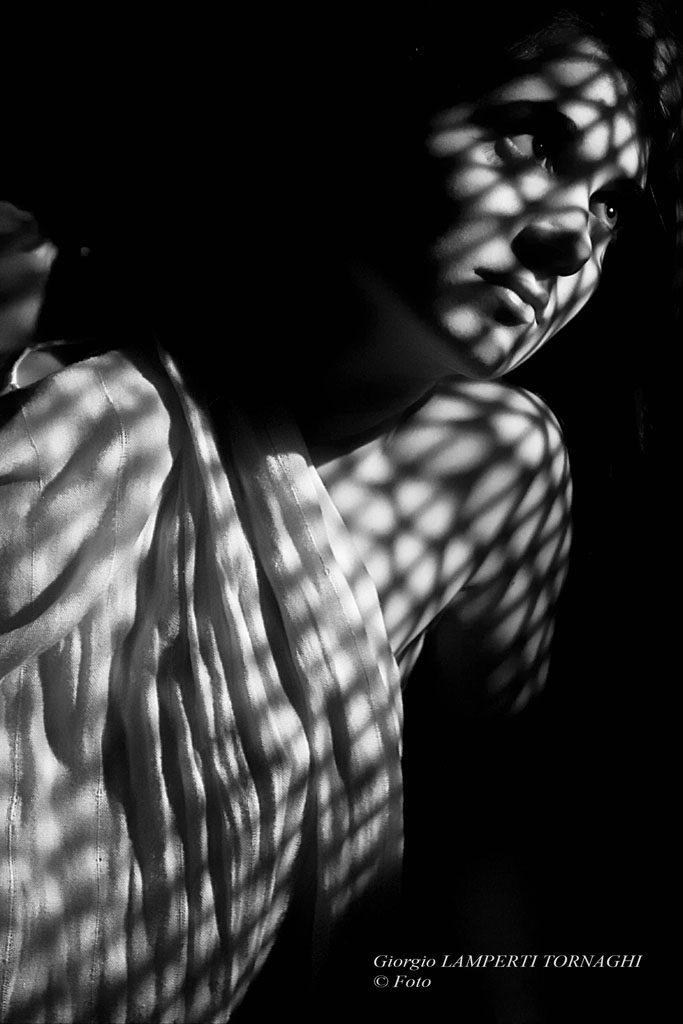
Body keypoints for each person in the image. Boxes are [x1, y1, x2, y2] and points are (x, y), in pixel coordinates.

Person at [0, 4, 680, 1021]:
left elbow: (478, 846)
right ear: (381, 108)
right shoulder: (65, 365)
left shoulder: (491, 469)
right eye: (530, 139)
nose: (569, 239)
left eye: (612, 205)